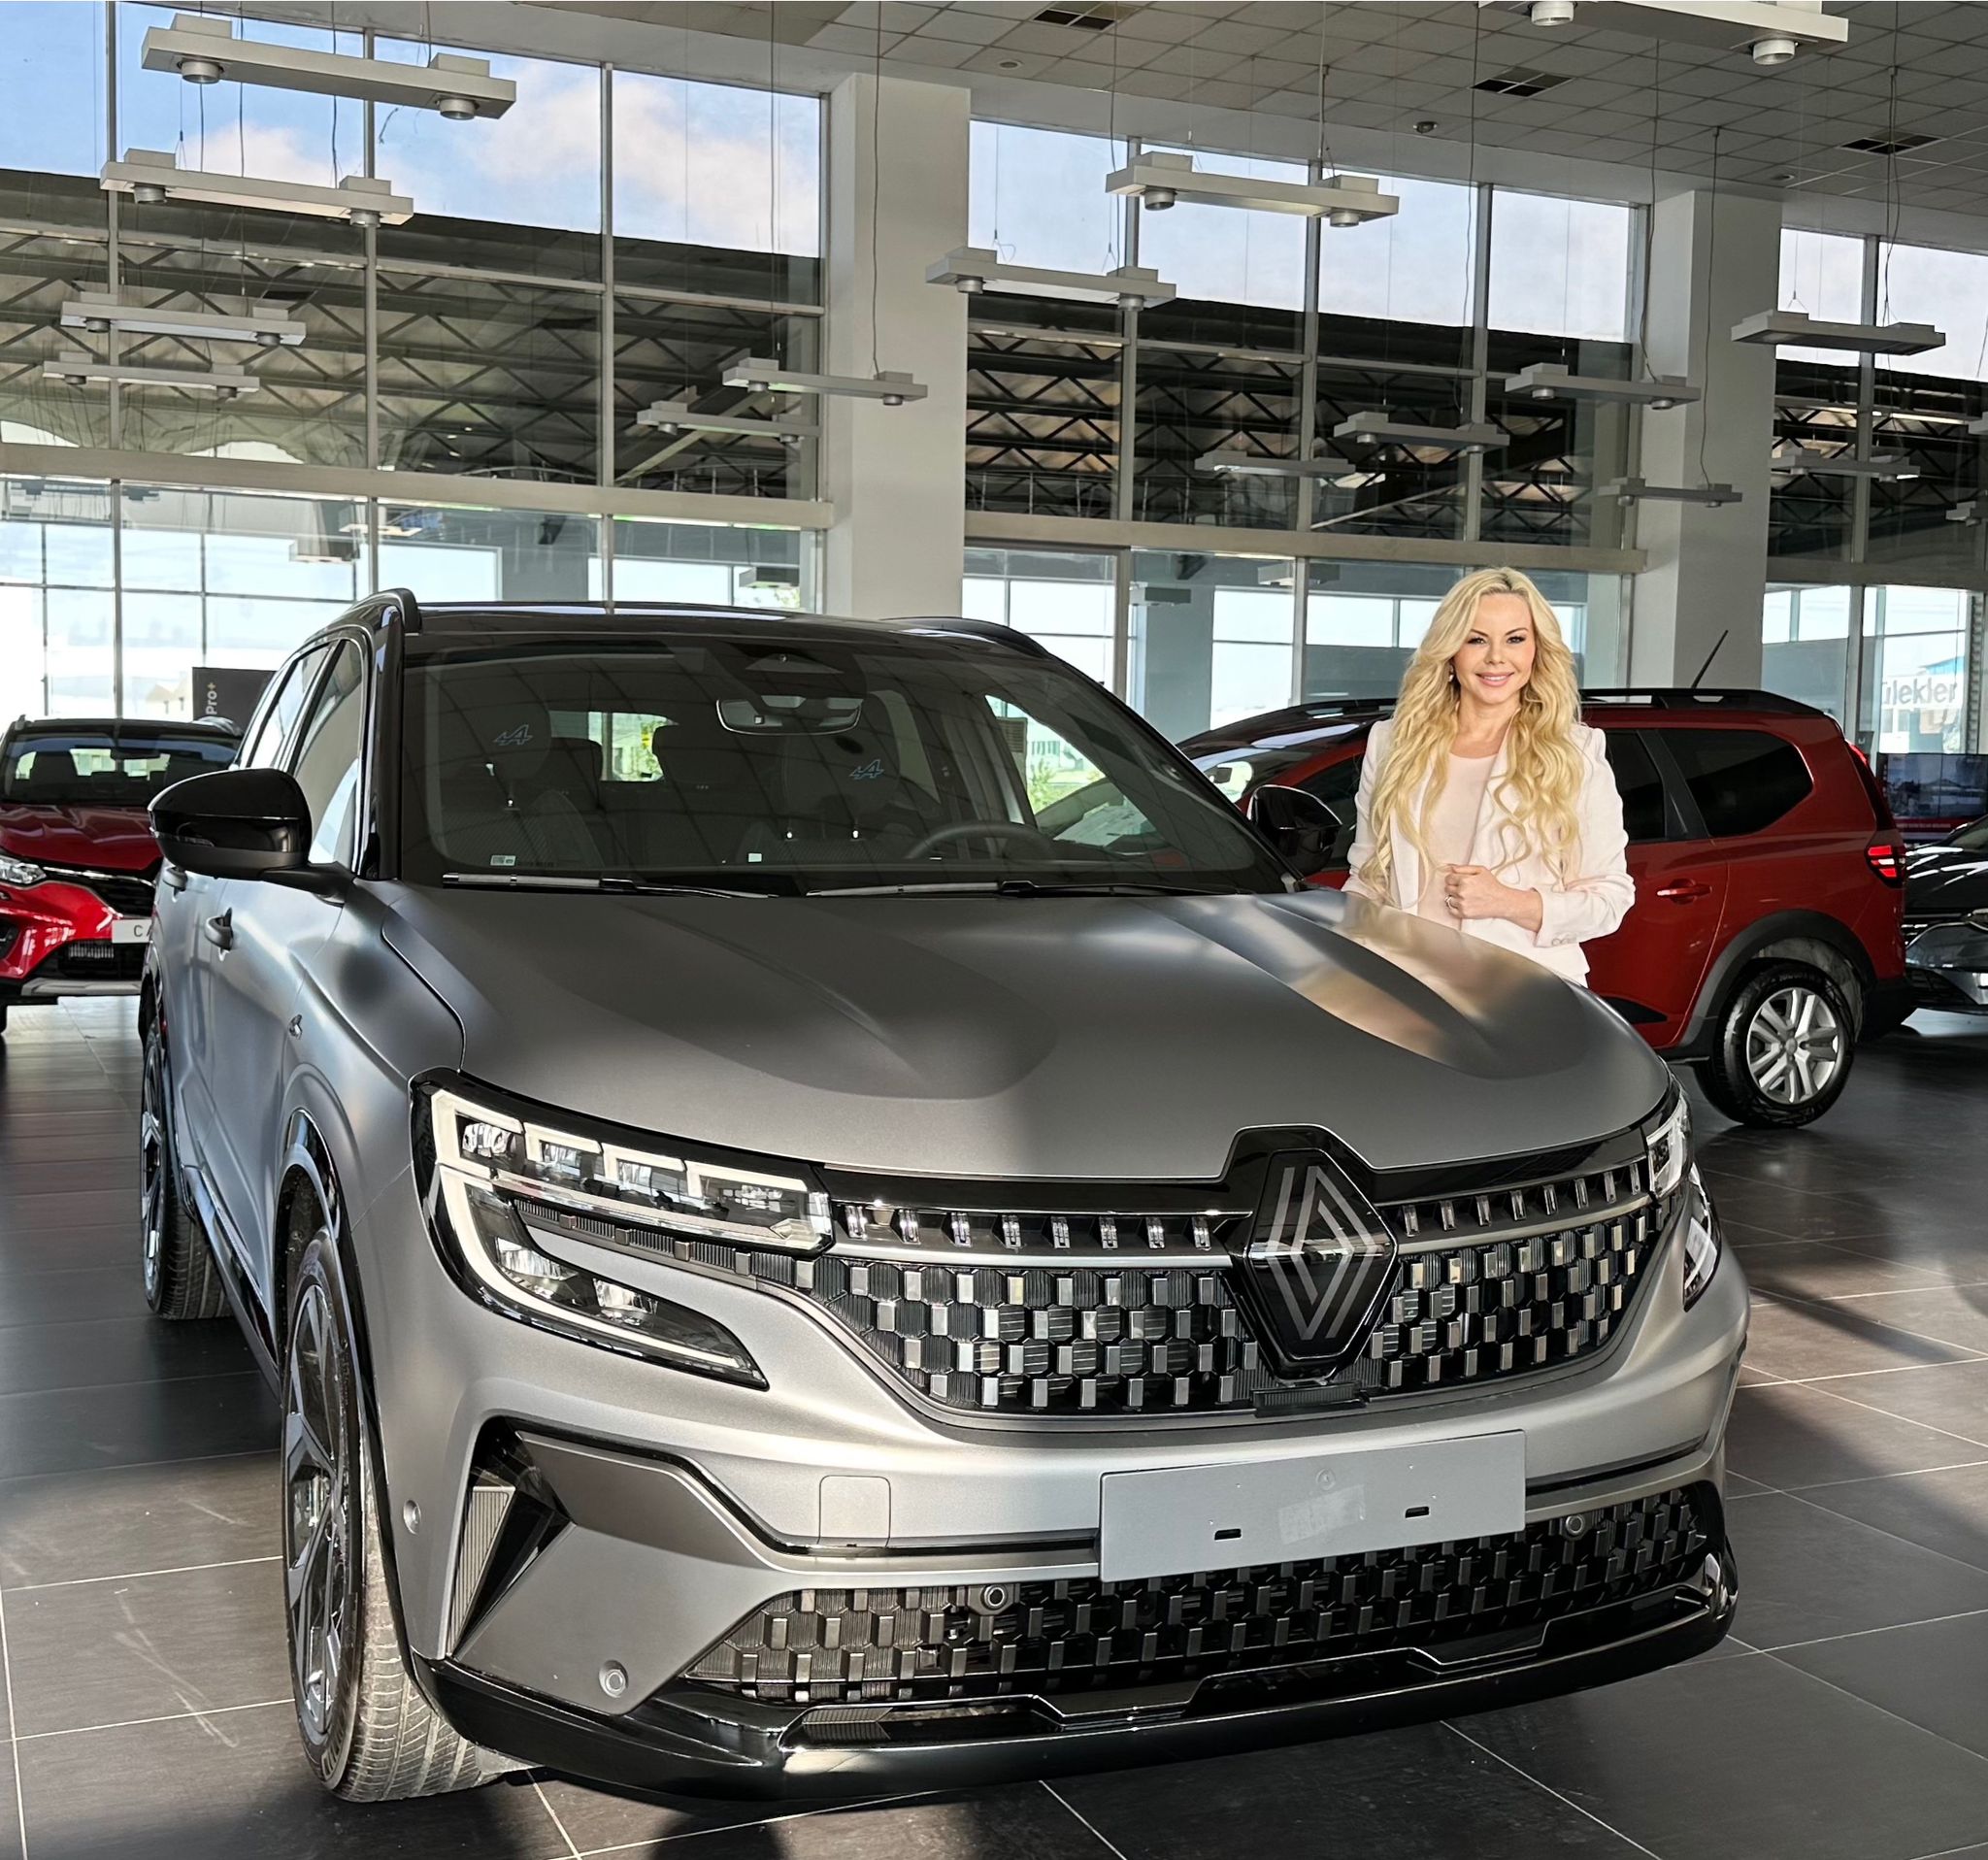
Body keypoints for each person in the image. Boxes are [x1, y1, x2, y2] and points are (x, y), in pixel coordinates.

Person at [1342, 566, 1632, 985]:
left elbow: (1609, 900)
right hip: (1409, 988)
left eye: (1515, 639)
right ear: (1450, 651)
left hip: (1524, 991)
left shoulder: (1574, 751)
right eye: (1476, 639)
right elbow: (1367, 878)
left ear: (1537, 650)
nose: (1497, 657)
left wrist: (1507, 901)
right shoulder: (1392, 743)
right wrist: (1340, 956)